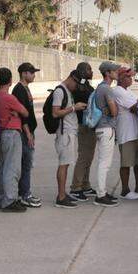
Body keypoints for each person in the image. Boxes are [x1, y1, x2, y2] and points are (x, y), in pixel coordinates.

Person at [0, 67, 31, 213]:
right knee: (13, 167)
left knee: (3, 165)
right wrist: (15, 112)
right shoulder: (8, 97)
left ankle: (1, 198)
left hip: (2, 133)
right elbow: (25, 112)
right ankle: (10, 200)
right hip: (12, 132)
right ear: (10, 80)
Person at [51, 66, 88, 208]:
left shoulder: (67, 91)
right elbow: (55, 113)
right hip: (64, 133)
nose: (77, 87)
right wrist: (74, 108)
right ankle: (60, 197)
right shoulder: (60, 91)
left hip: (69, 133)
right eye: (77, 84)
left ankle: (63, 193)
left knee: (66, 164)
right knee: (63, 164)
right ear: (72, 79)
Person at [11, 62, 43, 208]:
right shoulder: (19, 90)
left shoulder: (25, 89)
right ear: (24, 73)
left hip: (29, 131)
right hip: (25, 132)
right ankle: (25, 194)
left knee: (27, 163)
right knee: (26, 163)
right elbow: (21, 115)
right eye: (31, 72)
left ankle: (24, 192)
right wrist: (28, 133)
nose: (33, 75)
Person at [112, 66, 138, 200]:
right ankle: (125, 190)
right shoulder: (118, 91)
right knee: (126, 163)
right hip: (126, 133)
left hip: (136, 132)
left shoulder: (128, 91)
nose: (130, 79)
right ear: (120, 78)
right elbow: (135, 107)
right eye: (128, 77)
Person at [92, 61, 121, 206]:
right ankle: (100, 195)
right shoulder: (107, 89)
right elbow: (114, 111)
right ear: (108, 73)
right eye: (114, 70)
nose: (116, 72)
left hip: (100, 127)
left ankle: (102, 192)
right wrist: (115, 107)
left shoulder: (100, 88)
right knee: (105, 163)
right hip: (107, 127)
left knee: (103, 162)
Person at [68, 62, 97, 202]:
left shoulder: (85, 86)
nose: (91, 71)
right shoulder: (79, 88)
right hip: (84, 125)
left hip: (90, 126)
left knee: (89, 156)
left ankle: (85, 184)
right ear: (82, 71)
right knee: (83, 156)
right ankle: (76, 187)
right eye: (89, 69)